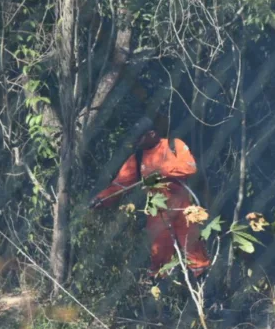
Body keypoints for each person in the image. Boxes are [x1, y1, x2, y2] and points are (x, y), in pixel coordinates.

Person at [89, 114, 211, 279]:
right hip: (157, 213)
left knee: (195, 254)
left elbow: (189, 167)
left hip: (183, 209)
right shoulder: (137, 159)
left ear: (152, 134)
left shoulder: (173, 145)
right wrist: (102, 198)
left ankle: (204, 289)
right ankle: (162, 292)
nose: (137, 143)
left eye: (140, 138)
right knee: (159, 257)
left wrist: (161, 171)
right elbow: (120, 184)